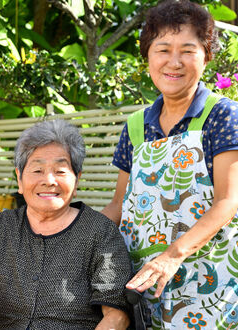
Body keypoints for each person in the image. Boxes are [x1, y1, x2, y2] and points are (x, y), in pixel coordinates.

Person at [102, 0, 238, 328]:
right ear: (147, 55)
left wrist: (171, 257)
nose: (173, 62)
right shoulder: (136, 126)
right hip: (145, 285)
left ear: (206, 56)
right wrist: (69, 237)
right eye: (163, 49)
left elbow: (228, 201)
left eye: (188, 50)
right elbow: (119, 205)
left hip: (211, 285)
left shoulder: (222, 115)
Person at [0, 119, 132, 330]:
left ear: (77, 181)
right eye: (37, 171)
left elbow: (117, 316)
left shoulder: (100, 232)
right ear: (19, 179)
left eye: (60, 171)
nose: (49, 180)